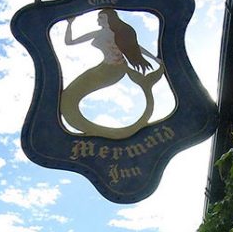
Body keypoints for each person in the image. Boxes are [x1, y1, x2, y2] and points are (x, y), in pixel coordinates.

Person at [61, 8, 166, 139]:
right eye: (99, 18)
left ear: (110, 19)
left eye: (101, 18)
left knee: (70, 97)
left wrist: (154, 58)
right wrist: (70, 24)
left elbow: (135, 47)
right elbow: (69, 42)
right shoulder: (98, 33)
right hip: (103, 67)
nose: (98, 20)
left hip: (115, 70)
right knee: (69, 97)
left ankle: (145, 84)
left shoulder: (120, 34)